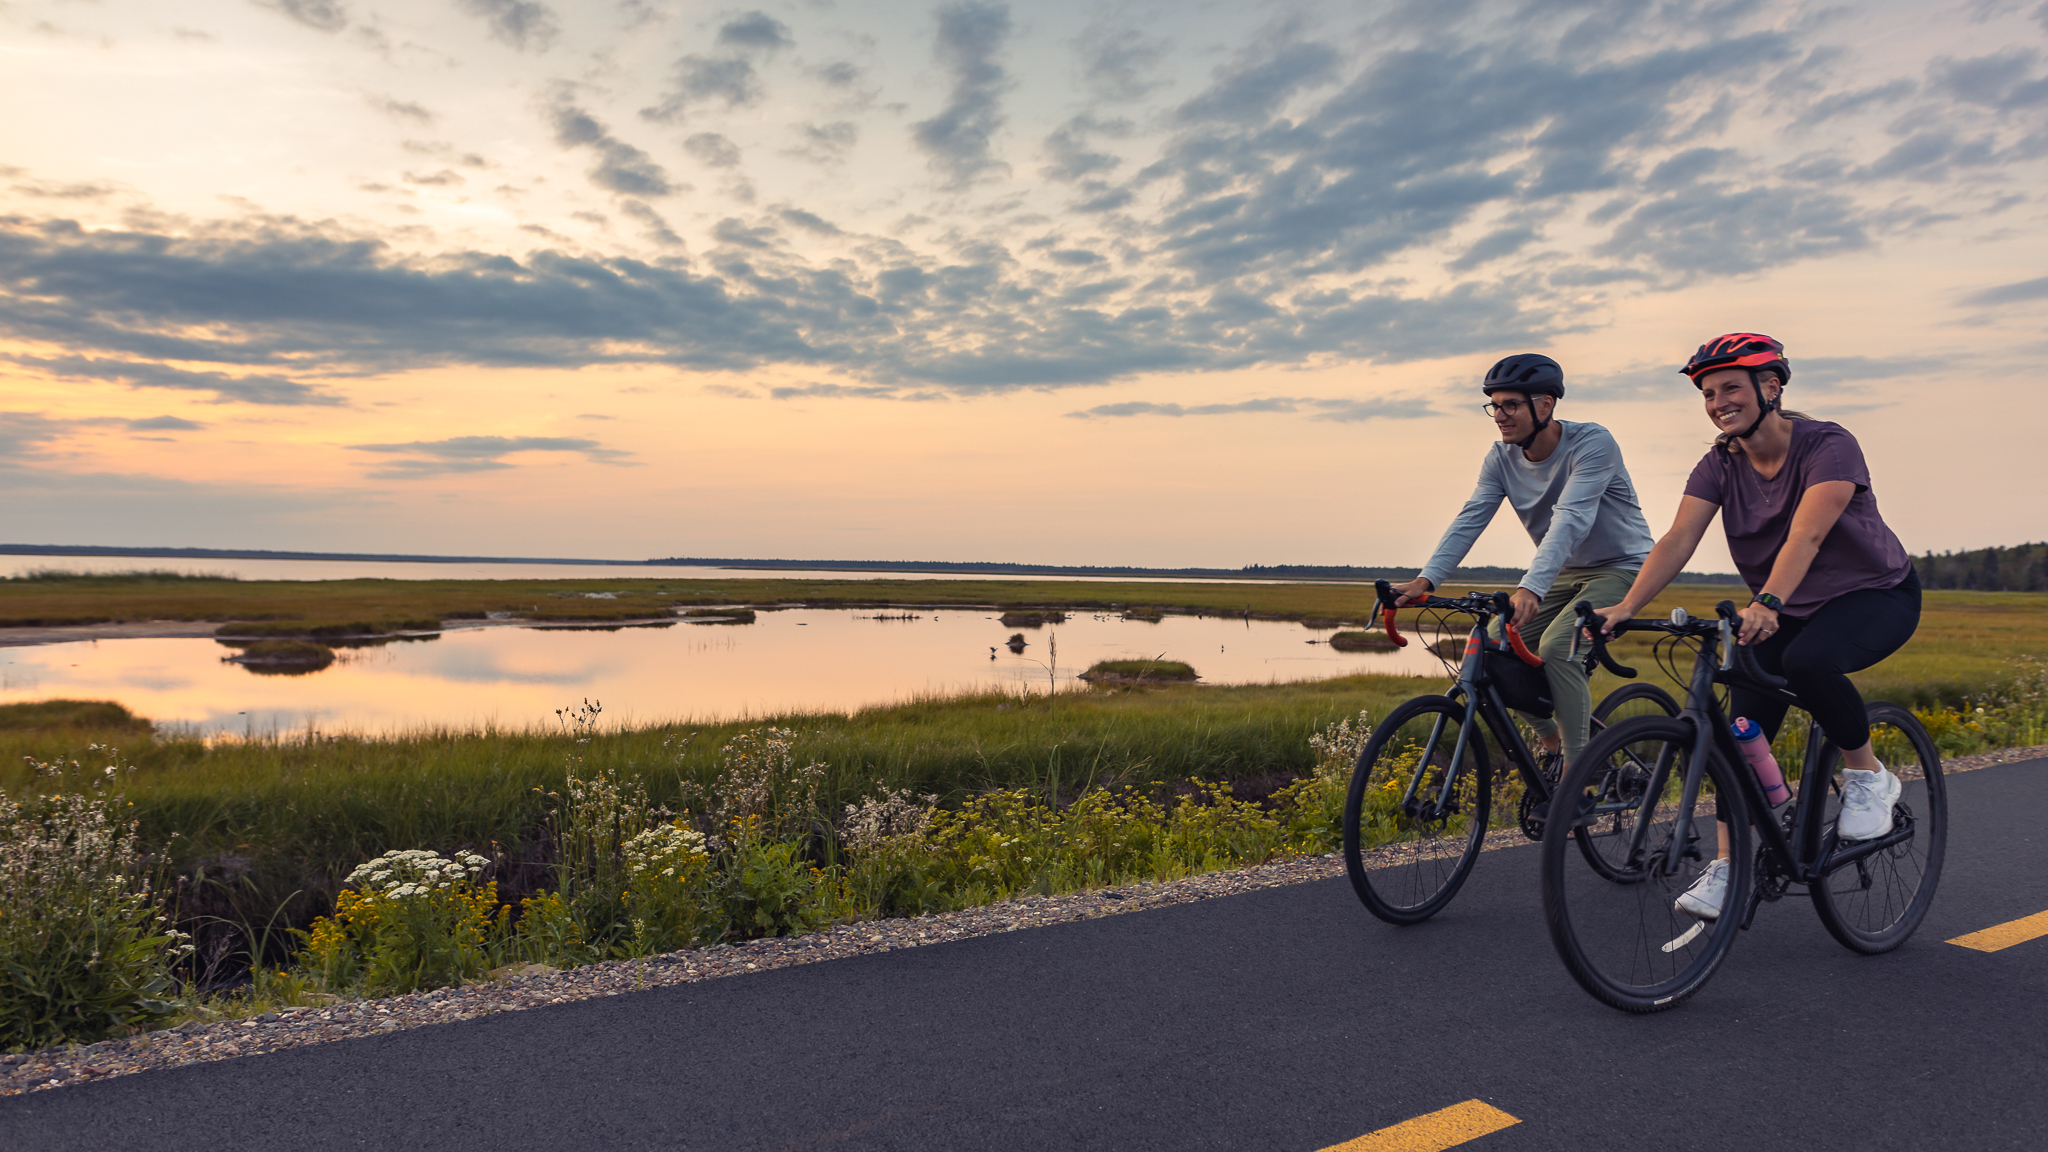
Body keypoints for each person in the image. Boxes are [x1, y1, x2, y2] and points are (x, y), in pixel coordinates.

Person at [1587, 333, 1920, 920]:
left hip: (1874, 595)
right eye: (1709, 394)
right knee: (1740, 727)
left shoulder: (1829, 444)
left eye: (1731, 388)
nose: (1718, 402)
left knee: (1808, 662)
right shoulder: (1719, 463)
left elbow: (1807, 535)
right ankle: (1727, 863)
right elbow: (1678, 539)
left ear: (1772, 387)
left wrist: (1766, 600)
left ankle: (1869, 776)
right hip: (1786, 606)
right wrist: (1626, 607)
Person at [1390, 353, 1656, 772]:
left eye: (1510, 404)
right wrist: (1427, 580)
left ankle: (1578, 768)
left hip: (1623, 565)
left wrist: (1531, 588)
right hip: (1564, 572)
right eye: (1494, 405)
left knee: (1557, 647)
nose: (1499, 415)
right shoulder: (1500, 458)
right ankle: (1552, 743)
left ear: (1545, 405)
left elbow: (1571, 519)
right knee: (1495, 648)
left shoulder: (1592, 444)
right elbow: (1471, 518)